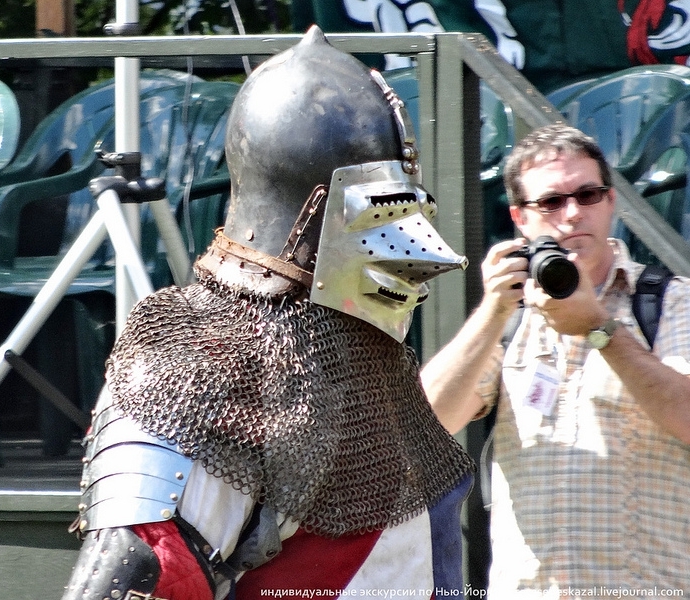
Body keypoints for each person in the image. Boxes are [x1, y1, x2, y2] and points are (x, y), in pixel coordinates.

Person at [61, 25, 475, 600]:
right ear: (316, 215)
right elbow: (128, 578)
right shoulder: (195, 371)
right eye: (387, 209)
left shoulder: (370, 369)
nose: (404, 242)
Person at [420, 123, 690, 598]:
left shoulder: (669, 303)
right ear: (520, 218)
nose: (572, 214)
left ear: (611, 202)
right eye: (551, 202)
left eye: (588, 195)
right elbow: (426, 422)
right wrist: (493, 310)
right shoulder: (510, 319)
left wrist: (599, 327)